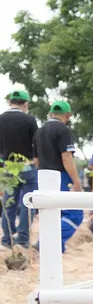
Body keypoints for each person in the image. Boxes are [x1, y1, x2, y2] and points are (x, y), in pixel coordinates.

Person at [33, 99, 84, 252]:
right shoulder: (62, 130)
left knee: (54, 213)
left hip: (43, 177)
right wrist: (76, 181)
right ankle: (45, 243)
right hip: (61, 177)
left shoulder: (39, 131)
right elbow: (66, 157)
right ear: (67, 115)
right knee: (75, 215)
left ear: (51, 113)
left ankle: (57, 248)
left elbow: (36, 160)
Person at [0, 86, 38, 249]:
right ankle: (22, 239)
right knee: (27, 203)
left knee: (9, 202)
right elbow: (36, 143)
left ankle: (7, 239)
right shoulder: (29, 120)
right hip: (27, 166)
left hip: (8, 167)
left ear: (9, 102)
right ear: (26, 104)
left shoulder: (0, 119)